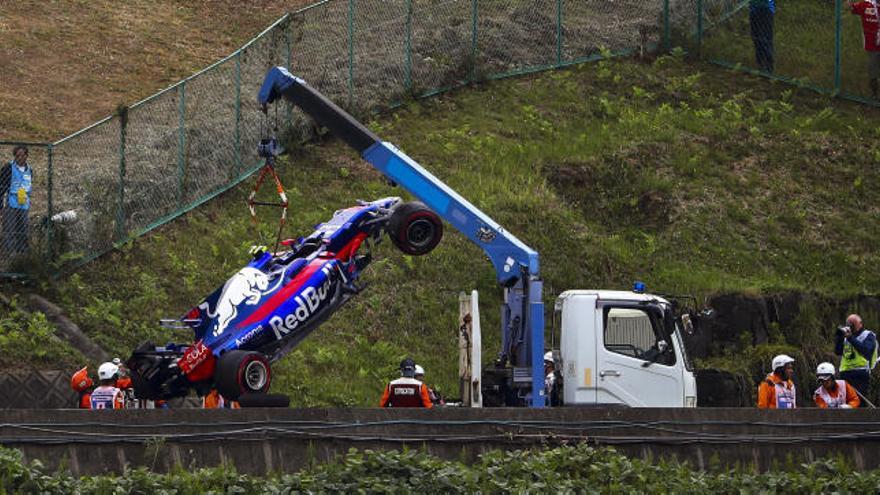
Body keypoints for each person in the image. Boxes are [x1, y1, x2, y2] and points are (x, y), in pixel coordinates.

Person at [834, 314, 877, 401]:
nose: (850, 326)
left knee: (858, 400)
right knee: (845, 400)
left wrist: (851, 338)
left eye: (853, 324)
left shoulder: (868, 335)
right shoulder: (846, 336)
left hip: (860, 373)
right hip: (845, 372)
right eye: (848, 324)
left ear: (860, 324)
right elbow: (838, 352)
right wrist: (839, 338)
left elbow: (866, 350)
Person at [0, 145, 33, 255]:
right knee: (10, 229)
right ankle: (9, 253)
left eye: (22, 155)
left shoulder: (29, 169)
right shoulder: (8, 168)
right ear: (14, 156)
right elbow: (1, 187)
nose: (20, 158)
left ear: (27, 156)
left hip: (24, 204)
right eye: (17, 155)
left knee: (23, 229)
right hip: (11, 203)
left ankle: (22, 253)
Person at [849, 0, 880, 98]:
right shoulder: (865, 4)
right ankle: (874, 93)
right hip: (872, 43)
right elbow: (851, 8)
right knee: (873, 67)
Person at [749, 0, 775, 73]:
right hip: (754, 9)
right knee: (755, 37)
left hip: (766, 9)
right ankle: (760, 64)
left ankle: (769, 66)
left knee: (764, 38)